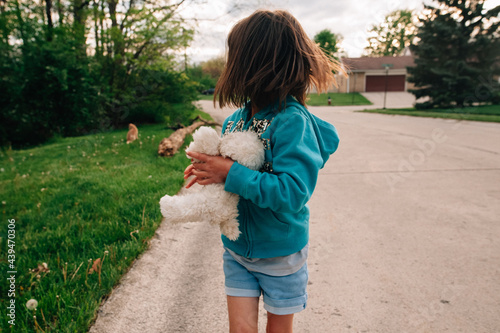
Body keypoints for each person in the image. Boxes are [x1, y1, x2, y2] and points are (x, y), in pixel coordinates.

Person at [183, 9, 345, 333]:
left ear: (255, 62)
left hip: (281, 254)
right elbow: (232, 179)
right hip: (238, 249)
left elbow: (293, 193)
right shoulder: (235, 121)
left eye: (236, 57)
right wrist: (211, 173)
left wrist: (230, 173)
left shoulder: (292, 123)